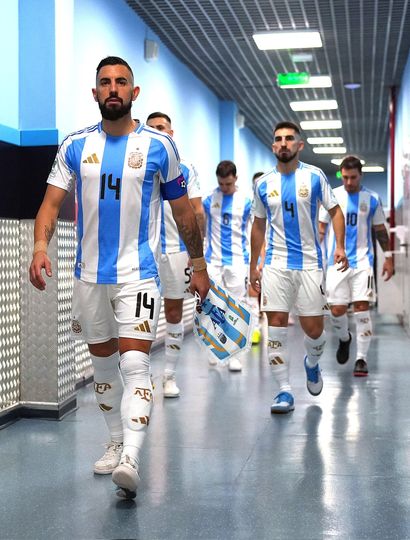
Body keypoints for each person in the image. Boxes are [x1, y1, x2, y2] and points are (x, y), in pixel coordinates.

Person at [29, 56, 210, 498]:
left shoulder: (159, 148)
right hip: (88, 277)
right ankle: (114, 441)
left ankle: (131, 455)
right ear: (95, 93)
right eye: (105, 82)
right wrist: (38, 248)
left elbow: (183, 212)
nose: (113, 88)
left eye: (121, 82)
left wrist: (198, 264)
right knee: (104, 366)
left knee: (134, 363)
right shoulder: (75, 146)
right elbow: (51, 205)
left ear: (135, 92)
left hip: (139, 276)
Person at [250, 121, 348, 414]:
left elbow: (335, 211)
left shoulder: (315, 176)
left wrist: (339, 246)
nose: (283, 143)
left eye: (289, 139)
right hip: (275, 264)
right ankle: (283, 390)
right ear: (273, 146)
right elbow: (258, 225)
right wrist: (253, 265)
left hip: (309, 264)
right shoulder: (263, 184)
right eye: (278, 139)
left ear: (299, 145)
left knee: (315, 331)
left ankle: (312, 363)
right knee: (276, 325)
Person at [146, 111, 205, 397]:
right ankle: (142, 375)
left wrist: (198, 260)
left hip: (177, 252)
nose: (158, 132)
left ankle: (169, 375)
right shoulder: (138, 164)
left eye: (163, 128)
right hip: (144, 251)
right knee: (143, 313)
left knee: (172, 311)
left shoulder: (186, 167)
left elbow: (197, 212)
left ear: (171, 133)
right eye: (153, 128)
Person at [319, 155, 394, 376]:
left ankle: (361, 359)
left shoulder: (371, 199)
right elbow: (322, 229)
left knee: (362, 309)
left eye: (353, 177)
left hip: (363, 262)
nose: (349, 182)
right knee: (337, 310)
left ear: (361, 175)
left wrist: (388, 257)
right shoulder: (332, 195)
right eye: (345, 177)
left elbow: (380, 230)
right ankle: (345, 338)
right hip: (336, 263)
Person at [203, 160, 253, 371]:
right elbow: (202, 228)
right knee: (212, 304)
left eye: (228, 184)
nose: (225, 188)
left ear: (236, 179)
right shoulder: (208, 201)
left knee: (236, 306)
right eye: (221, 184)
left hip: (238, 260)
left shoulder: (246, 202)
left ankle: (234, 355)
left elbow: (254, 230)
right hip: (212, 259)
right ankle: (215, 347)